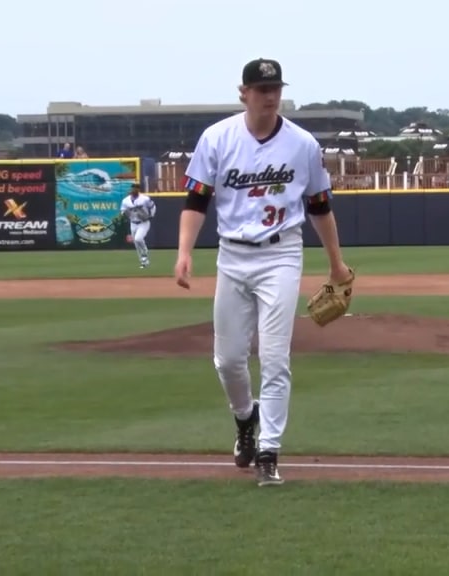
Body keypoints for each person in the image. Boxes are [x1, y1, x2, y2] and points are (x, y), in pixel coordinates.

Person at [173, 57, 353, 487]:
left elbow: (319, 206)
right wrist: (184, 253)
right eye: (261, 89)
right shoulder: (217, 138)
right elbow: (196, 201)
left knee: (275, 358)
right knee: (228, 360)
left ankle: (269, 451)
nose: (270, 96)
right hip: (232, 255)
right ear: (244, 93)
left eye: (275, 89)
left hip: (281, 254)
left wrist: (336, 262)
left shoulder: (302, 144)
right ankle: (244, 418)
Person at [120, 183, 156, 268]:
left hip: (143, 222)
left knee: (138, 238)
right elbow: (122, 211)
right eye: (133, 188)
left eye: (136, 188)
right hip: (133, 223)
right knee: (136, 243)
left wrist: (151, 215)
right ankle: (144, 262)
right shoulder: (126, 200)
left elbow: (153, 207)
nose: (134, 190)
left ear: (139, 190)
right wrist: (127, 212)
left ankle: (145, 252)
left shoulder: (145, 199)